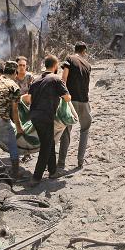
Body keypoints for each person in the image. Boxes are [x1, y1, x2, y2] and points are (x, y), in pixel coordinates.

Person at [28, 55, 72, 185]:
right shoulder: (55, 79)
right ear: (55, 65)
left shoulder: (35, 80)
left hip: (34, 116)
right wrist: (67, 96)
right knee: (46, 146)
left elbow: (30, 99)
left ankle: (52, 171)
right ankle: (36, 177)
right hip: (46, 116)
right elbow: (67, 98)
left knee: (49, 141)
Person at [59, 42, 92, 170]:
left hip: (71, 100)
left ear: (75, 49)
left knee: (66, 131)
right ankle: (80, 161)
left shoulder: (69, 59)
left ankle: (61, 163)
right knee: (85, 129)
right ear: (84, 51)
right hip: (84, 101)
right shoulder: (88, 65)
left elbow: (64, 79)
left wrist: (62, 95)